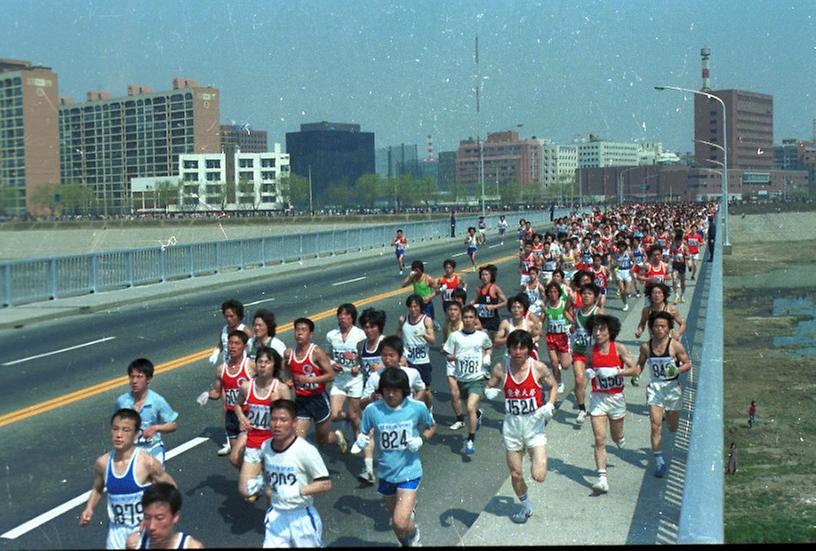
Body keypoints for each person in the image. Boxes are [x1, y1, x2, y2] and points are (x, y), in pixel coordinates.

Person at [356, 368, 437, 547]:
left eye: (395, 390)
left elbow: (431, 427)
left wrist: (421, 439)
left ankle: (415, 537)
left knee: (399, 522)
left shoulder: (417, 408)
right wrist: (361, 438)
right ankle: (407, 541)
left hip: (409, 471)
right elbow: (364, 431)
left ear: (404, 390)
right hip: (386, 474)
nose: (391, 394)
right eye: (386, 390)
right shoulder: (372, 410)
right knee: (399, 525)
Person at [484, 329, 557, 524]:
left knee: (539, 475)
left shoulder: (538, 368)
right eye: (514, 347)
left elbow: (553, 385)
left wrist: (550, 404)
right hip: (512, 426)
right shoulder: (501, 368)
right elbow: (490, 385)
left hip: (534, 425)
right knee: (516, 473)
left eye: (522, 347)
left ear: (528, 349)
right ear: (509, 349)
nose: (518, 351)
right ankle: (525, 506)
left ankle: (535, 464)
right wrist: (489, 390)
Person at [80, 409, 177, 550]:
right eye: (115, 429)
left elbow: (172, 489)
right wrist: (89, 508)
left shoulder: (146, 462)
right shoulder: (103, 463)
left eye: (126, 430)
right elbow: (97, 488)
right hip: (116, 532)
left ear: (136, 434)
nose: (119, 435)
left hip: (144, 531)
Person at [260, 399, 333, 548]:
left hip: (301, 516)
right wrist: (259, 483)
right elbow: (266, 473)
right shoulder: (266, 446)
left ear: (294, 423)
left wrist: (297, 491)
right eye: (274, 419)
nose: (277, 424)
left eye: (283, 420)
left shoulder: (305, 450)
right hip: (277, 515)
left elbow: (325, 483)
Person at [355, 336, 426, 484]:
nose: (387, 359)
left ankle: (408, 492)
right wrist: (371, 397)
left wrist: (412, 406)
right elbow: (361, 404)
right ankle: (369, 470)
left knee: (406, 458)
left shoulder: (411, 373)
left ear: (400, 356)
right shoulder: (375, 377)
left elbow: (421, 389)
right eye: (384, 355)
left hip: (405, 423)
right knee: (368, 433)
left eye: (391, 355)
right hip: (383, 420)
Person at [584, 314, 638, 494]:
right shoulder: (591, 351)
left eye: (602, 330)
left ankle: (620, 437)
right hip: (598, 398)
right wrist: (590, 373)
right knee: (599, 439)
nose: (598, 333)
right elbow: (588, 368)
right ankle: (602, 478)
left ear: (610, 331)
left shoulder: (619, 348)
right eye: (595, 329)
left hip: (616, 399)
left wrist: (616, 372)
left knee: (616, 436)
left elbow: (635, 370)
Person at [635, 311, 692, 477]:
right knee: (655, 425)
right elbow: (640, 365)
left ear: (668, 328)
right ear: (651, 328)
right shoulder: (646, 347)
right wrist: (634, 375)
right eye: (656, 326)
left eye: (663, 326)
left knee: (672, 428)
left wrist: (677, 369)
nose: (659, 329)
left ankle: (668, 416)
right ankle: (659, 462)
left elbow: (687, 363)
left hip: (672, 388)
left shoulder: (675, 346)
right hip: (655, 389)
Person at [234, 346, 291, 501]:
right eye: (260, 361)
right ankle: (263, 481)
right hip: (254, 441)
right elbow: (237, 405)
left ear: (274, 366)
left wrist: (277, 404)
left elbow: (290, 417)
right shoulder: (247, 386)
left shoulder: (281, 388)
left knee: (274, 494)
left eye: (267, 362)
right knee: (245, 490)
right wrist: (242, 418)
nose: (263, 365)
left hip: (274, 443)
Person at [284, 318, 348, 453]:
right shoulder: (289, 353)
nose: (299, 333)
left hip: (318, 400)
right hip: (301, 401)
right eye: (297, 330)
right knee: (297, 441)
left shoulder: (316, 352)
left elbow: (331, 375)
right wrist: (288, 381)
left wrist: (309, 380)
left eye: (303, 330)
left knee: (322, 441)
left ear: (311, 334)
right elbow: (287, 370)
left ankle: (336, 437)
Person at [197, 330, 255, 464]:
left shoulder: (251, 366)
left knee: (247, 455)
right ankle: (249, 481)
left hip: (247, 414)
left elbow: (265, 381)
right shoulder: (221, 369)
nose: (232, 347)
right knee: (236, 460)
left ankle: (253, 479)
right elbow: (217, 393)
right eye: (230, 343)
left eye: (236, 343)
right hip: (231, 415)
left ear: (244, 347)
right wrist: (207, 394)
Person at [443, 305, 493, 455]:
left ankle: (470, 440)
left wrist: (487, 356)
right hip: (462, 378)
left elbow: (488, 346)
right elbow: (448, 354)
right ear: (462, 319)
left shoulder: (481, 336)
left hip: (477, 378)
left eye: (471, 317)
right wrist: (454, 357)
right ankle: (478, 415)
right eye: (466, 317)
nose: (469, 320)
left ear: (475, 319)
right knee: (469, 408)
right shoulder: (455, 336)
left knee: (470, 407)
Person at [208, 299, 254, 455]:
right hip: (228, 370)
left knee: (244, 404)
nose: (229, 319)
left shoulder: (245, 331)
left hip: (242, 370)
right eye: (226, 316)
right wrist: (216, 352)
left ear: (238, 316)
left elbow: (253, 348)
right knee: (226, 406)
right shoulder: (224, 330)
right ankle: (230, 440)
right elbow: (221, 343)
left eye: (232, 316)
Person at [114, 358, 178, 465]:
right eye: (132, 377)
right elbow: (115, 426)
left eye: (139, 377)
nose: (134, 381)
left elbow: (173, 425)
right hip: (129, 450)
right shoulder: (122, 401)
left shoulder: (157, 401)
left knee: (154, 479)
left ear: (148, 379)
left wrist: (156, 428)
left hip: (152, 448)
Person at [326, 303, 367, 438]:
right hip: (339, 379)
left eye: (346, 315)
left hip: (355, 379)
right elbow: (328, 355)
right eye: (340, 315)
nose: (343, 317)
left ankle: (359, 439)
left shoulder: (360, 335)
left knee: (354, 414)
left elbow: (366, 356)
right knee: (334, 414)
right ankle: (349, 419)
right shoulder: (332, 335)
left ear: (352, 317)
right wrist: (332, 363)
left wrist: (358, 366)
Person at [125, 483, 203, 549]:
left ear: (175, 516)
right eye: (147, 517)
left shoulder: (191, 546)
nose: (152, 526)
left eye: (159, 518)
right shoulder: (134, 545)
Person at [570, 284, 603, 425]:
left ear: (595, 297)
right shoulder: (577, 312)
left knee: (599, 383)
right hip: (579, 352)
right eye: (584, 293)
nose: (586, 296)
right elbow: (576, 329)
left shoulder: (598, 312)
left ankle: (599, 406)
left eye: (589, 294)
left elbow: (605, 332)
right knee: (579, 381)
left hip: (594, 353)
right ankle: (582, 409)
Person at [399, 294, 436, 411]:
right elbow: (397, 336)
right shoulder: (404, 319)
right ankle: (409, 411)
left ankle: (429, 410)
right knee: (408, 388)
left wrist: (424, 334)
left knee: (426, 390)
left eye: (416, 306)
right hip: (408, 361)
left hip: (422, 361)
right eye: (411, 307)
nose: (413, 309)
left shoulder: (426, 320)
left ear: (420, 307)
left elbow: (433, 341)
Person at [542, 281, 573, 394]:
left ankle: (568, 353)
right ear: (548, 294)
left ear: (559, 293)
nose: (553, 294)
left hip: (563, 338)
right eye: (550, 292)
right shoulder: (546, 307)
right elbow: (540, 322)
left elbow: (571, 318)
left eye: (555, 291)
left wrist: (572, 325)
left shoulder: (564, 304)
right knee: (554, 363)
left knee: (565, 366)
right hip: (551, 337)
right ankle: (558, 382)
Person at [472, 264, 507, 339]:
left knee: (494, 341)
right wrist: (472, 303)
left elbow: (505, 302)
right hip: (482, 319)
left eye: (486, 275)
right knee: (482, 340)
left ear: (491, 276)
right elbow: (477, 300)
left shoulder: (495, 288)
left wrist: (494, 306)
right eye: (482, 275)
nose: (484, 277)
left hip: (493, 320)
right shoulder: (479, 289)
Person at [669, 229, 690, 304]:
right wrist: (672, 257)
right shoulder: (673, 246)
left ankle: (682, 295)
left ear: (681, 240)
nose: (678, 242)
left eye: (679, 241)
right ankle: (676, 295)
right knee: (674, 280)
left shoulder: (684, 247)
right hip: (675, 265)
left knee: (682, 282)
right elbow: (670, 253)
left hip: (682, 266)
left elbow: (688, 256)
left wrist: (684, 257)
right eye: (676, 241)